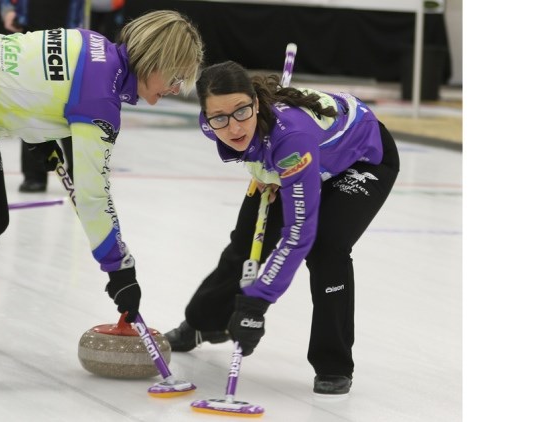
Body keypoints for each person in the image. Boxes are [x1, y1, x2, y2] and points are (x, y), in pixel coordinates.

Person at [0, 10, 203, 392]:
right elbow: (92, 195)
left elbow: (26, 75)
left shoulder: (94, 47)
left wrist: (38, 130)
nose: (175, 87)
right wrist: (119, 268)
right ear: (156, 61)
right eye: (176, 77)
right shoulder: (101, 98)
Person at [164, 60, 400, 396]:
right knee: (245, 242)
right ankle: (203, 322)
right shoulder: (213, 124)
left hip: (359, 159)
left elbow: (298, 232)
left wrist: (257, 301)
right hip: (295, 160)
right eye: (219, 118)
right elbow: (247, 144)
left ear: (256, 103)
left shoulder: (292, 138)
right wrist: (264, 169)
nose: (232, 128)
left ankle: (333, 362)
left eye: (242, 112)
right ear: (205, 116)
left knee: (326, 247)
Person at [0, 0, 83, 192]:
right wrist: (8, 10)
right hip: (31, 29)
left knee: (71, 102)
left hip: (69, 34)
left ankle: (79, 172)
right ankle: (34, 173)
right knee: (31, 101)